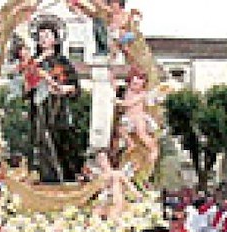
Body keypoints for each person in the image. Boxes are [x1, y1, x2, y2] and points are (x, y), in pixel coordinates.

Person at [28, 19, 80, 182]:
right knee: (43, 142)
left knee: (61, 140)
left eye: (47, 35)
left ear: (56, 39)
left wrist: (64, 89)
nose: (43, 39)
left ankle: (67, 176)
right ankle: (47, 178)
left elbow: (74, 86)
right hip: (40, 108)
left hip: (59, 108)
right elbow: (26, 84)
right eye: (40, 36)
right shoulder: (33, 62)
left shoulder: (62, 62)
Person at [115, 67, 159, 168]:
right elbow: (115, 86)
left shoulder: (142, 94)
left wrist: (118, 102)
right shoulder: (127, 91)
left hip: (138, 117)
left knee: (141, 133)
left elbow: (129, 103)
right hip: (129, 118)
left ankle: (153, 149)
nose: (135, 86)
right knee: (120, 130)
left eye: (139, 84)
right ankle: (130, 143)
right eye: (133, 83)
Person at [91, 148, 142, 220]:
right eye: (98, 159)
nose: (100, 161)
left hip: (116, 201)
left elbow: (129, 185)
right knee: (95, 215)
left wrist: (137, 195)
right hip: (103, 202)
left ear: (108, 160)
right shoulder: (99, 176)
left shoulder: (117, 173)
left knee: (112, 217)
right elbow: (93, 191)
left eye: (103, 159)